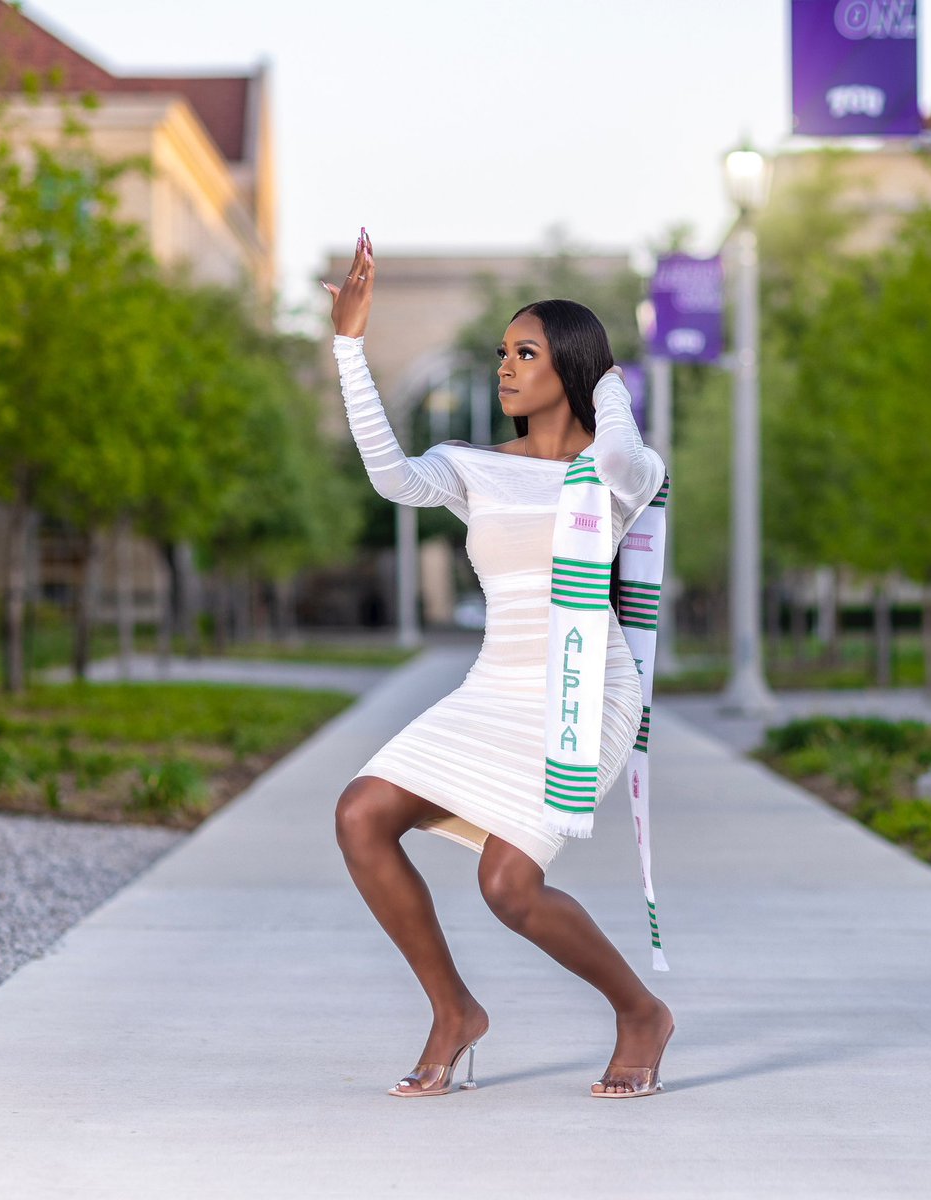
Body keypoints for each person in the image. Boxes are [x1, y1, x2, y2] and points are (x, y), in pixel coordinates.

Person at [325, 228, 674, 1099]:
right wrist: (349, 347)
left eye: (527, 351)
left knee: (508, 885)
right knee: (362, 814)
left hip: (582, 691)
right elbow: (392, 478)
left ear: (572, 369)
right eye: (501, 352)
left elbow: (623, 450)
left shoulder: (618, 473)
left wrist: (613, 384)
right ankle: (454, 1011)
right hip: (494, 688)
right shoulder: (474, 466)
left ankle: (641, 1013)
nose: (506, 367)